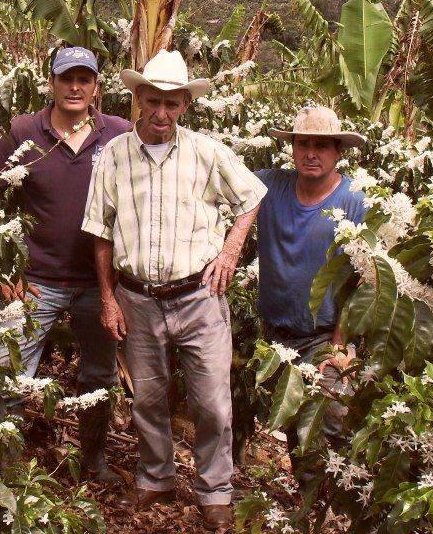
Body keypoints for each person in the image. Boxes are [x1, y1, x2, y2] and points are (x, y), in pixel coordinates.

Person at [81, 49, 267, 532]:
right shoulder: (114, 156)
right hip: (138, 299)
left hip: (198, 297)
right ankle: (156, 478)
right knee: (146, 397)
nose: (162, 113)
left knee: (211, 401)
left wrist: (229, 252)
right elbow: (100, 231)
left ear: (186, 105)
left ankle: (214, 489)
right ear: (138, 98)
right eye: (154, 101)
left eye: (173, 104)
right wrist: (107, 297)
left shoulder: (207, 152)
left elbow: (251, 197)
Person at [0, 46, 130, 483]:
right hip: (36, 281)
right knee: (7, 370)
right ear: (52, 84)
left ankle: (94, 461)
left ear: (97, 87)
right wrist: (2, 260)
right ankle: (5, 470)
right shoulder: (25, 131)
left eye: (84, 79)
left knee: (99, 376)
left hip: (99, 284)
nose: (75, 87)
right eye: (66, 78)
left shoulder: (119, 133)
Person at [256, 106, 368, 482]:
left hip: (325, 339)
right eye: (303, 144)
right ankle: (307, 504)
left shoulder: (355, 200)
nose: (311, 153)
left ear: (338, 151)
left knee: (331, 424)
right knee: (294, 426)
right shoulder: (269, 186)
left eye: (321, 145)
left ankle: (333, 504)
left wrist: (340, 344)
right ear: (292, 149)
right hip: (276, 336)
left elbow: (364, 281)